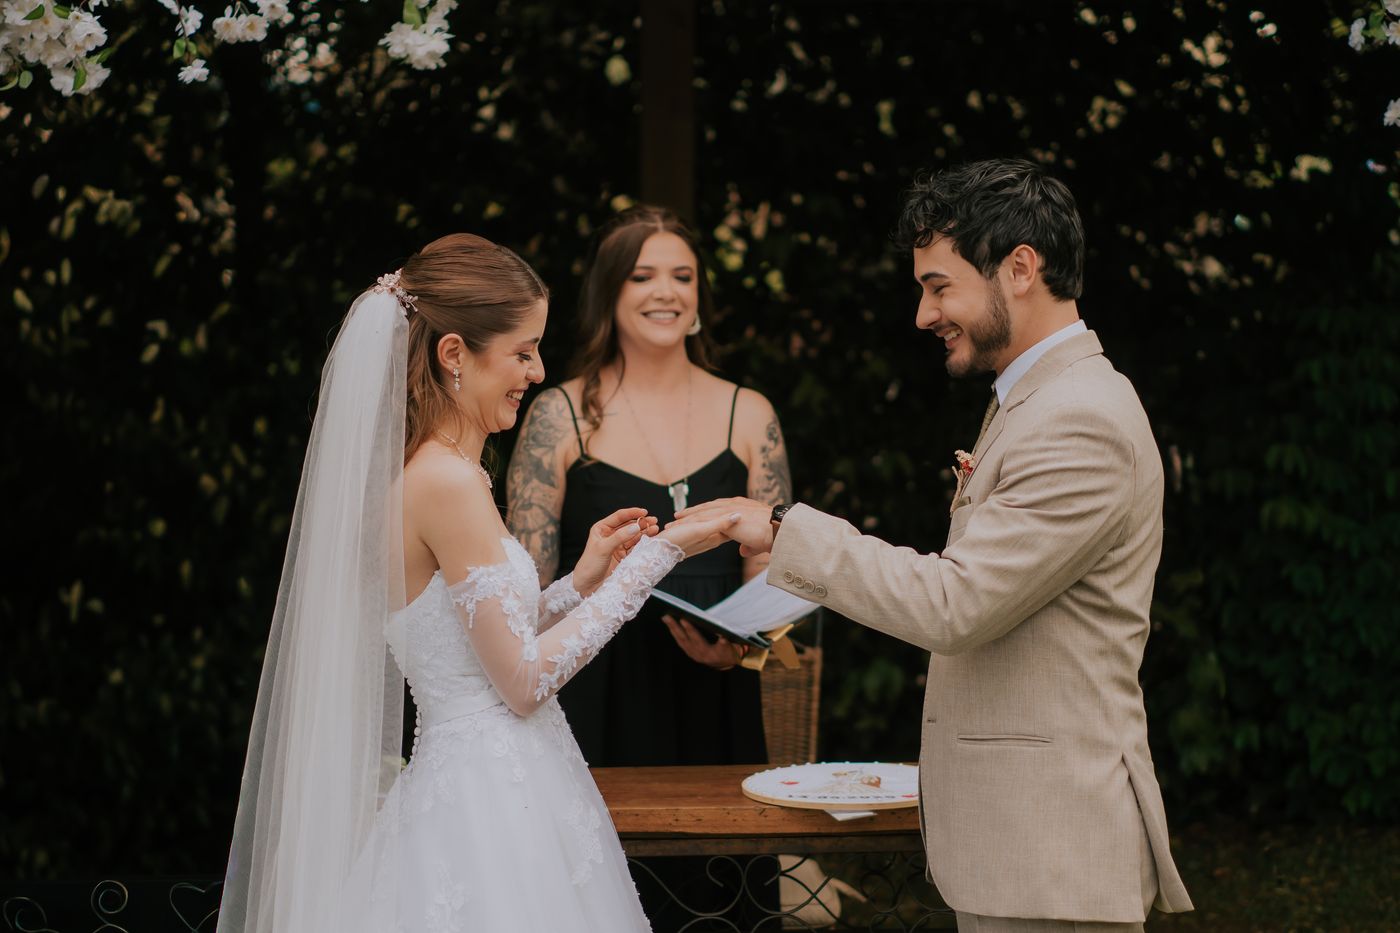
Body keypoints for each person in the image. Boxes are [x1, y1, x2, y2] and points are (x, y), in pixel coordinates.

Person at [672, 159, 1195, 933]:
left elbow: (956, 603)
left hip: (1049, 853)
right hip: (1021, 850)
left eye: (939, 286)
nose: (924, 314)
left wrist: (783, 530)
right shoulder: (1035, 401)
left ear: (1020, 268)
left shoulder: (1080, 417)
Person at [216, 233, 738, 933]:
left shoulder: (441, 471)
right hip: (489, 805)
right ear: (455, 354)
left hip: (496, 780)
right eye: (523, 351)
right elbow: (520, 682)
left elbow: (477, 644)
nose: (537, 370)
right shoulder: (446, 482)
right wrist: (658, 556)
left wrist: (582, 581)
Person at [505, 205, 792, 926]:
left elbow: (777, 569)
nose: (666, 291)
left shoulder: (750, 414)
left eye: (682, 276)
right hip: (595, 696)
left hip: (717, 700)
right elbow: (521, 595)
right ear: (609, 292)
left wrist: (746, 648)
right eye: (643, 276)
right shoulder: (557, 416)